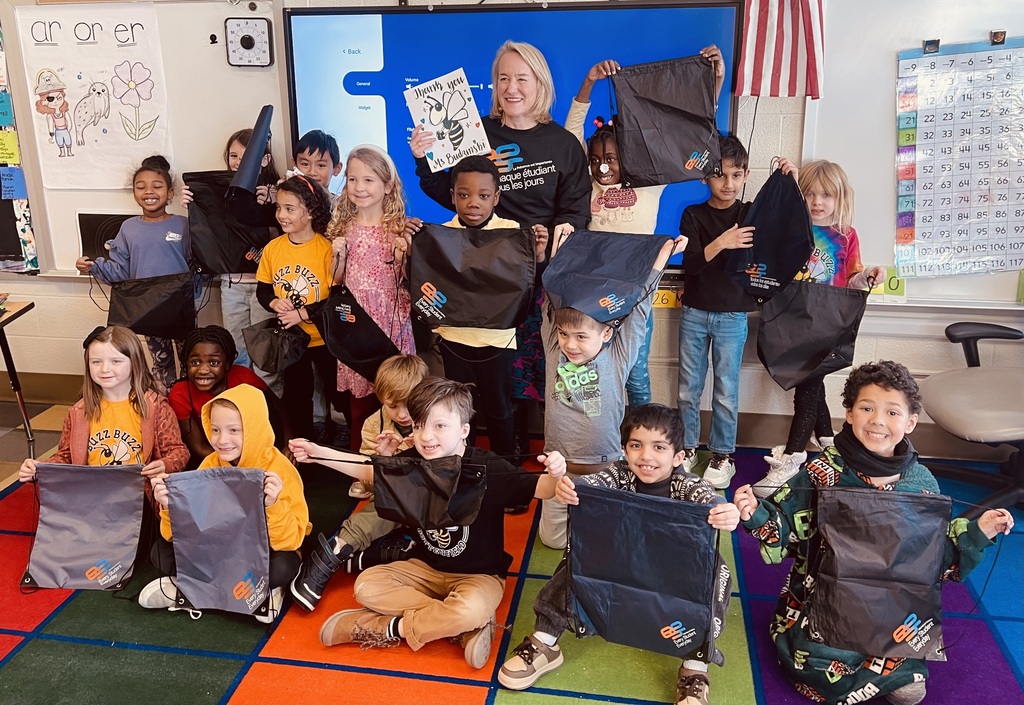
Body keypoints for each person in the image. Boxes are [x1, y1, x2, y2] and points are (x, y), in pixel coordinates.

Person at [733, 360, 1014, 705]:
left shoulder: (921, 483)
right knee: (820, 669)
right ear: (849, 413)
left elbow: (933, 562)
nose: (878, 420)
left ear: (911, 422)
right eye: (866, 408)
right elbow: (786, 523)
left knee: (906, 660)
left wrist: (978, 531)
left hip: (891, 603)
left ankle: (892, 670)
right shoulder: (824, 471)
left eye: (893, 412)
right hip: (829, 595)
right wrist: (754, 512)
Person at [288, 377, 567, 669]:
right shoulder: (412, 462)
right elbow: (368, 471)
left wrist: (556, 472)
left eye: (440, 426)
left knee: (470, 608)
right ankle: (459, 629)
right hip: (423, 569)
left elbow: (543, 489)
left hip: (480, 576)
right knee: (366, 586)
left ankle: (384, 628)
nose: (426, 435)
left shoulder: (489, 467)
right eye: (419, 425)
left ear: (464, 430)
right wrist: (320, 454)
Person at [411, 40, 591, 451]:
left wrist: (561, 233)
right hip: (481, 281)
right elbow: (448, 191)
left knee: (539, 368)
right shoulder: (478, 133)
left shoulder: (563, 144)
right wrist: (424, 159)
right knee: (487, 377)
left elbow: (576, 207)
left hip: (541, 278)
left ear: (539, 84)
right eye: (503, 78)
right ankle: (481, 453)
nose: (511, 87)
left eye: (521, 78)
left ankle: (539, 451)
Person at [499, 404, 740, 705]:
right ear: (624, 450)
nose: (646, 456)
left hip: (672, 569)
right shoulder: (619, 472)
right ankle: (546, 642)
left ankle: (695, 668)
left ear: (678, 457)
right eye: (636, 445)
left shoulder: (685, 484)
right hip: (621, 560)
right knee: (573, 560)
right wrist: (570, 489)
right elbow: (591, 485)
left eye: (659, 447)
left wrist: (723, 509)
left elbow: (707, 495)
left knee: (717, 574)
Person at [563, 47, 724, 411]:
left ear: (630, 157)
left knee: (635, 368)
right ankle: (603, 433)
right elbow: (572, 132)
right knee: (594, 365)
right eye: (596, 162)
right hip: (594, 289)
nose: (602, 169)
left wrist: (715, 78)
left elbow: (693, 130)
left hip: (637, 288)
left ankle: (642, 430)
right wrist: (589, 82)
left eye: (611, 160)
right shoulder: (587, 186)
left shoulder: (649, 180)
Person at [753, 158, 887, 497]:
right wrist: (790, 183)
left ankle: (794, 455)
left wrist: (867, 274)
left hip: (829, 320)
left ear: (840, 198)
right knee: (811, 380)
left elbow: (851, 278)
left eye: (826, 195)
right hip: (794, 318)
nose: (817, 202)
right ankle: (831, 443)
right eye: (809, 194)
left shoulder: (846, 235)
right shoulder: (794, 227)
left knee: (807, 386)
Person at [538, 234, 681, 549]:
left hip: (605, 466)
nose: (570, 344)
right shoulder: (555, 351)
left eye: (580, 336)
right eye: (564, 335)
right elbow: (551, 300)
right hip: (559, 466)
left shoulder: (617, 355)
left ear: (606, 333)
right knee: (553, 541)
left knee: (606, 541)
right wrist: (558, 256)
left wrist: (661, 259)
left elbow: (641, 306)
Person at [401, 155, 549, 456]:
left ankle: (505, 472)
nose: (473, 203)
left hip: (498, 340)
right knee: (456, 414)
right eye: (464, 195)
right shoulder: (439, 235)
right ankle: (461, 470)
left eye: (483, 196)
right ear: (452, 196)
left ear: (495, 197)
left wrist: (540, 254)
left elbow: (528, 281)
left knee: (499, 410)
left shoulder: (512, 230)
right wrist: (410, 249)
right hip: (455, 340)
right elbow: (421, 283)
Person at [142, 384, 312, 624]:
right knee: (160, 552)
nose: (222, 440)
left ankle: (204, 588)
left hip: (261, 553)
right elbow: (180, 535)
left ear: (254, 430)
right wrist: (170, 508)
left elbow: (290, 540)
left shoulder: (279, 469)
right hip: (221, 551)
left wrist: (272, 505)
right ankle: (198, 587)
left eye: (234, 430)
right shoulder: (211, 465)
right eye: (215, 430)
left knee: (284, 565)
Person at [18, 326, 188, 507]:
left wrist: (165, 464)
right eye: (96, 362)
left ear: (134, 362)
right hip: (93, 497)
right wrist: (40, 468)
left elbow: (179, 451)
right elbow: (66, 457)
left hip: (138, 498)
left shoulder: (156, 408)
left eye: (116, 361)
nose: (105, 369)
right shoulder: (79, 412)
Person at [676, 135, 757, 490]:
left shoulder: (749, 213)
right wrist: (722, 242)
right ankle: (688, 447)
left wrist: (791, 175)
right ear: (705, 177)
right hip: (694, 310)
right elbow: (691, 265)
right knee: (687, 388)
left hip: (733, 315)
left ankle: (724, 454)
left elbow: (788, 217)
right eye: (720, 175)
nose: (728, 184)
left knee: (726, 389)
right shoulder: (693, 215)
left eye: (736, 175)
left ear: (746, 175)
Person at [324, 145, 415, 450]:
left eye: (369, 180)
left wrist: (405, 256)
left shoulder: (399, 228)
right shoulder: (342, 228)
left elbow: (410, 283)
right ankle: (363, 465)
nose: (359, 187)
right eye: (352, 179)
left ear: (388, 185)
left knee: (398, 396)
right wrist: (337, 256)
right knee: (360, 402)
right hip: (356, 325)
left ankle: (405, 459)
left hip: (392, 322)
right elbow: (335, 283)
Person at [75, 155, 191, 394]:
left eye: (157, 186)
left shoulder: (183, 225)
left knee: (189, 359)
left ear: (170, 194)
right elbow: (120, 271)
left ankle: (188, 407)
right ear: (134, 193)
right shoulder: (129, 228)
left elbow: (197, 264)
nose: (149, 191)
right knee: (161, 362)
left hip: (181, 307)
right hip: (148, 308)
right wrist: (93, 266)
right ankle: (164, 409)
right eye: (141, 187)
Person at [180, 128, 281, 376]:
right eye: (233, 156)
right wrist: (194, 202)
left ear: (264, 160)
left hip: (266, 284)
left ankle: (267, 406)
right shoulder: (219, 192)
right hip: (231, 282)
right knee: (236, 348)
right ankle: (241, 402)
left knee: (265, 351)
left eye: (246, 157)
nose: (238, 163)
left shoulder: (276, 192)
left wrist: (276, 199)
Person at [256, 174, 344, 441]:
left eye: (289, 208)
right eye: (278, 207)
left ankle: (343, 443)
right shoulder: (273, 249)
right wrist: (273, 301)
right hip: (293, 342)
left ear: (310, 212)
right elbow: (263, 289)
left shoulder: (327, 249)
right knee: (297, 396)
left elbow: (335, 297)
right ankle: (303, 451)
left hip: (326, 339)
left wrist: (301, 314)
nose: (281, 214)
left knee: (337, 393)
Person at [167, 325, 291, 468]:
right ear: (186, 364)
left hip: (255, 451)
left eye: (214, 362)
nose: (203, 370)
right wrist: (236, 465)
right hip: (215, 457)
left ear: (227, 364)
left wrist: (289, 444)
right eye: (195, 362)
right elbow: (198, 446)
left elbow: (278, 409)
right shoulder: (180, 393)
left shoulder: (243, 377)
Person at [348, 353, 429, 499]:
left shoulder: (437, 421)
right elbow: (368, 484)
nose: (402, 415)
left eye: (409, 405)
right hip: (391, 498)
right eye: (393, 406)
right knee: (355, 523)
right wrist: (384, 459)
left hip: (430, 497)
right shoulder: (372, 425)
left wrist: (420, 452)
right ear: (381, 399)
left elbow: (451, 472)